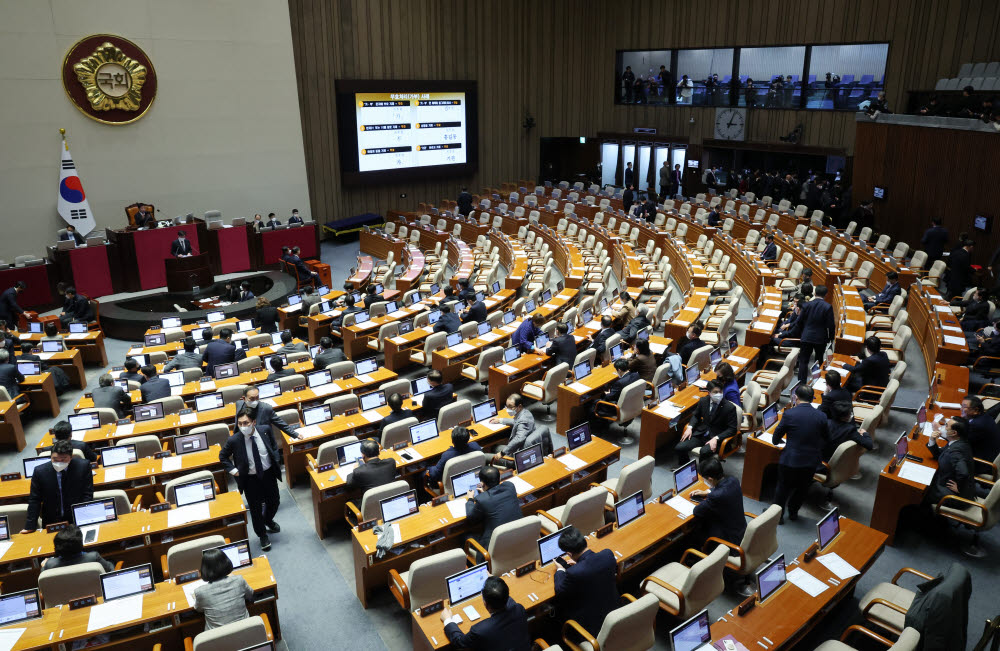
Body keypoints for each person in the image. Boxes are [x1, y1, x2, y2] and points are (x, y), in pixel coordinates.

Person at [221, 408, 283, 550]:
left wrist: (276, 459)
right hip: (249, 479)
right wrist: (234, 471)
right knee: (255, 509)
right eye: (240, 423)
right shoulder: (234, 440)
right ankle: (262, 535)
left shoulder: (265, 429)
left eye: (246, 423)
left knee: (274, 501)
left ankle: (267, 520)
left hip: (268, 474)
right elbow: (223, 457)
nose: (243, 426)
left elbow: (273, 446)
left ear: (254, 422)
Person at [772, 385, 829, 523]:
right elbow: (827, 438)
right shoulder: (821, 416)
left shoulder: (789, 414)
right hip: (810, 462)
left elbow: (775, 439)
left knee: (782, 488)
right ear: (812, 398)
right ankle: (793, 513)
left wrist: (783, 441)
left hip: (790, 460)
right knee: (802, 489)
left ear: (795, 397)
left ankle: (777, 516)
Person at [552, 526, 618, 629]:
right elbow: (594, 564)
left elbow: (560, 590)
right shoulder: (607, 554)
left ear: (569, 554)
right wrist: (580, 563)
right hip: (615, 610)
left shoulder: (573, 572)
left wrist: (560, 570)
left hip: (592, 624)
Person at [441, 575, 530, 651]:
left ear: (485, 603)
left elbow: (460, 642)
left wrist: (447, 620)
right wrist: (496, 584)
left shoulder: (480, 630)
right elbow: (507, 599)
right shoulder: (519, 609)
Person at [23, 440, 93, 531]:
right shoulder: (40, 471)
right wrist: (30, 526)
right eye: (55, 459)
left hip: (77, 517)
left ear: (71, 457)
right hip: (51, 520)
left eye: (63, 459)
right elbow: (34, 500)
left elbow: (87, 494)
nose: (59, 462)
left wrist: (83, 517)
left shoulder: (83, 466)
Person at [688, 456, 747, 546]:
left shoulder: (715, 497)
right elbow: (722, 489)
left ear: (710, 479)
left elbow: (697, 511)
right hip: (741, 531)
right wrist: (707, 491)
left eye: (704, 479)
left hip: (730, 541)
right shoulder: (734, 480)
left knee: (697, 525)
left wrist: (709, 495)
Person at [675, 380, 738, 463]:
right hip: (702, 433)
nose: (719, 394)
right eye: (715, 392)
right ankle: (686, 468)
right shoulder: (703, 401)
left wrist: (716, 438)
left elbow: (732, 429)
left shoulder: (730, 408)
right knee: (679, 447)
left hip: (718, 438)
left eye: (720, 391)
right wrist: (690, 427)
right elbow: (696, 415)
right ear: (709, 392)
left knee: (704, 452)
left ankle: (702, 473)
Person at [193, 548, 254, 630]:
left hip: (218, 640)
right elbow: (250, 595)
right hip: (246, 632)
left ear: (204, 570)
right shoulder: (239, 580)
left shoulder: (200, 592)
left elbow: (198, 609)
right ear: (227, 563)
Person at [465, 466, 520, 553]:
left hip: (494, 548)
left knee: (466, 537)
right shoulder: (510, 486)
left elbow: (471, 518)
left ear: (482, 484)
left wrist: (470, 499)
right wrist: (486, 494)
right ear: (499, 478)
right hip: (518, 537)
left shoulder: (483, 499)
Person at [790, 284, 835, 383]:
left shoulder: (807, 305)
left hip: (807, 336)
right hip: (821, 338)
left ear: (814, 293)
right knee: (818, 360)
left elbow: (799, 321)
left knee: (803, 361)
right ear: (826, 295)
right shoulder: (828, 307)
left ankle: (801, 384)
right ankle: (817, 382)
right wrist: (831, 338)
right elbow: (830, 325)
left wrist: (801, 332)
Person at [926, 417, 974, 505]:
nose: (943, 427)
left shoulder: (956, 451)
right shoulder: (957, 442)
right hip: (946, 478)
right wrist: (932, 440)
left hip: (950, 494)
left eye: (946, 426)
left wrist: (960, 488)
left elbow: (963, 472)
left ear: (954, 433)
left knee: (923, 491)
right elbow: (940, 455)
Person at [233, 386, 299, 439]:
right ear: (244, 398)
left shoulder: (266, 408)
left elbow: (280, 423)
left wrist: (295, 434)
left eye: (257, 397)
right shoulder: (239, 404)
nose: (255, 401)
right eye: (252, 399)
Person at [41, 525, 114, 571]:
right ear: (80, 543)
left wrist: (44, 566)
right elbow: (109, 569)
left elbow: (43, 580)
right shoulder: (93, 557)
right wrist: (112, 562)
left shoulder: (50, 564)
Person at [491, 393, 540, 459]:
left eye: (510, 407)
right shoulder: (526, 413)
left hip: (519, 454)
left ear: (519, 406)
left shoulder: (523, 420)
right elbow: (517, 422)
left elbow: (519, 439)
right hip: (525, 447)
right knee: (495, 447)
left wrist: (502, 453)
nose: (508, 409)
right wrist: (500, 420)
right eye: (507, 406)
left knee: (489, 452)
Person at [962, 396, 1000, 462]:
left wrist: (941, 429)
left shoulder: (977, 425)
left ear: (976, 410)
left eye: (964, 407)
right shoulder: (984, 416)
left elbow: (960, 440)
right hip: (983, 452)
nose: (961, 409)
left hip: (979, 462)